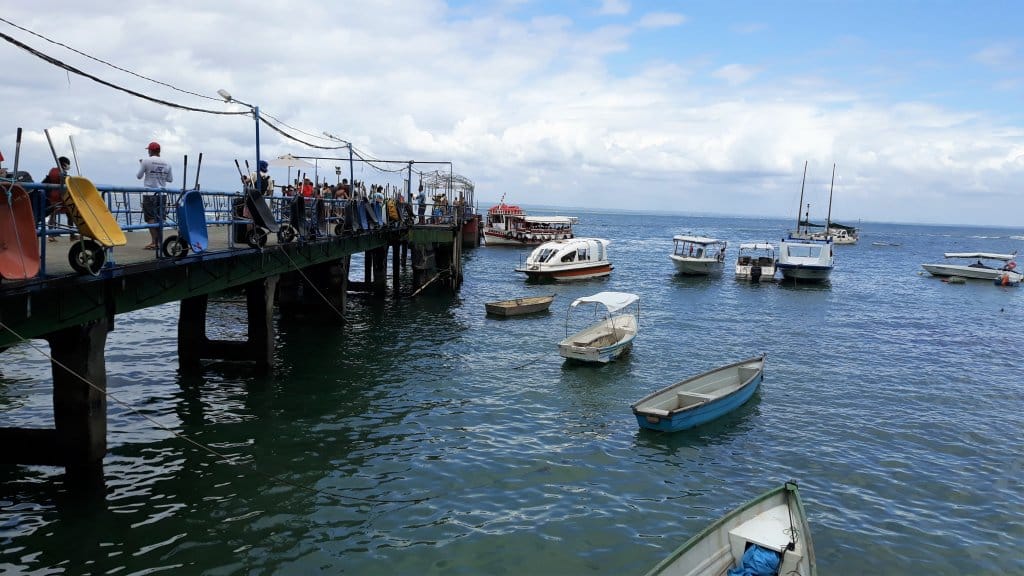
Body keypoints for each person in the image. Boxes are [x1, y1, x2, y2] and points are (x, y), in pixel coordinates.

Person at [136, 141, 173, 250]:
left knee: (150, 218)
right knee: (160, 218)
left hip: (149, 193)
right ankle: (160, 242)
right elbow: (170, 179)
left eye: (148, 150)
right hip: (162, 194)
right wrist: (160, 175)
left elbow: (139, 176)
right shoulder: (167, 163)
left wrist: (143, 165)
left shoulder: (146, 161)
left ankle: (154, 242)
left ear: (151, 150)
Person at [42, 156, 74, 241]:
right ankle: (72, 235)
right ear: (64, 164)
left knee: (53, 215)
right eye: (68, 164)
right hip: (62, 196)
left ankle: (50, 235)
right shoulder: (62, 173)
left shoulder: (52, 170)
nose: (69, 166)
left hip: (52, 195)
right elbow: (65, 185)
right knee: (70, 215)